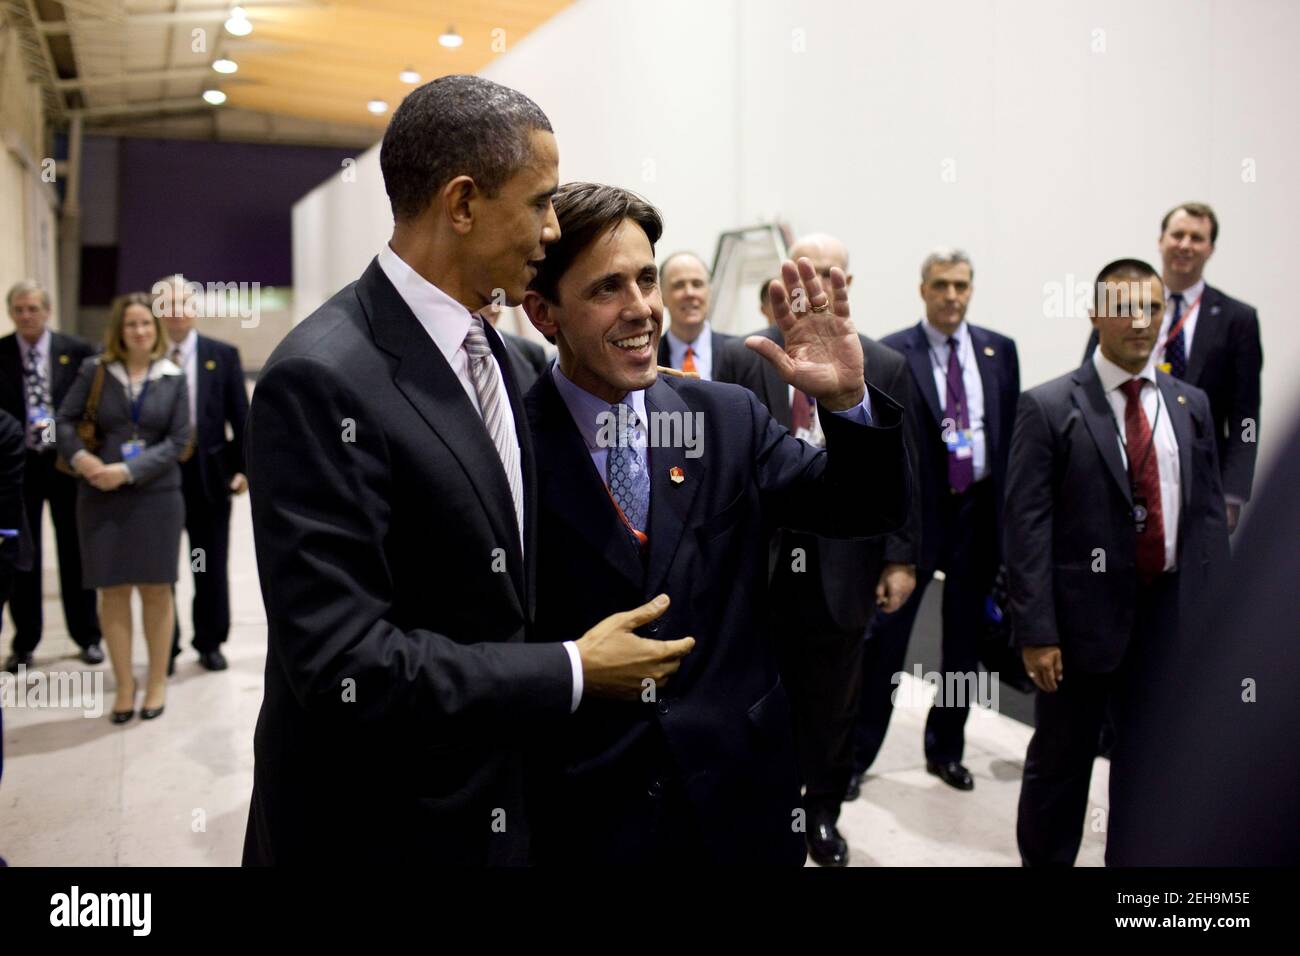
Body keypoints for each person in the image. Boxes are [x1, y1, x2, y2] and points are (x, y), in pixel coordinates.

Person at [241, 76, 693, 866]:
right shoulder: (320, 378)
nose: (554, 231)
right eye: (541, 202)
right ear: (461, 204)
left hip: (505, 807)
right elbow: (343, 663)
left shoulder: (512, 363)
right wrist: (571, 671)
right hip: (381, 826)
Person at [520, 183, 910, 865]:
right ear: (542, 313)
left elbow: (858, 507)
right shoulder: (510, 444)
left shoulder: (721, 417)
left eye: (646, 279)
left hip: (740, 795)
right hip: (587, 808)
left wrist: (847, 402)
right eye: (606, 288)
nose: (642, 308)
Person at [1007, 258, 1230, 866]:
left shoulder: (1190, 404)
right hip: (1079, 627)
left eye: (1152, 308)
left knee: (1150, 763)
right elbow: (1027, 529)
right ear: (1095, 314)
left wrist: (1217, 620)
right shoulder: (1049, 407)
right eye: (1126, 308)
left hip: (1168, 620)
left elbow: (1208, 520)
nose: (1141, 321)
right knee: (1061, 765)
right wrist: (1037, 631)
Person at [714, 232, 922, 866]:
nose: (815, 282)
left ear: (846, 286)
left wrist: (900, 556)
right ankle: (767, 808)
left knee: (834, 700)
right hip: (763, 565)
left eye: (828, 272)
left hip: (847, 566)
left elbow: (905, 471)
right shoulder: (748, 356)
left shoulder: (883, 365)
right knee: (760, 699)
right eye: (803, 272)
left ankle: (823, 812)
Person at [850, 249, 1019, 793]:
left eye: (962, 285)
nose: (952, 295)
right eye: (942, 285)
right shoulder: (895, 351)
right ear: (923, 289)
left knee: (962, 647)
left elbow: (1010, 434)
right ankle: (854, 757)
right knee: (888, 645)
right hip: (919, 518)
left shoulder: (999, 350)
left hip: (977, 513)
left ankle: (946, 748)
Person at [1083, 203, 1262, 531]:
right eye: (1177, 234)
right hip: (1123, 460)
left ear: (1210, 249)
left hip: (1199, 474)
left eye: (1197, 237)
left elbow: (1245, 415)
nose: (1185, 244)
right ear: (1161, 240)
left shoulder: (1238, 319)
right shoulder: (1122, 301)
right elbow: (1088, 383)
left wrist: (1232, 494)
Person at [57, 293, 191, 723]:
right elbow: (63, 422)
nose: (140, 331)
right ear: (118, 330)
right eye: (131, 324)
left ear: (156, 330)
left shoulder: (172, 376)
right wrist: (85, 461)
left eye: (146, 325)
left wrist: (128, 471)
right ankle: (124, 686)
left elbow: (178, 441)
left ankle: (155, 682)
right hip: (99, 496)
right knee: (112, 591)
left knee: (156, 589)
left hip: (156, 497)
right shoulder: (94, 371)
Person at [0, 281, 101, 672]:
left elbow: (89, 408)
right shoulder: (2, 353)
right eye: (19, 309)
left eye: (33, 308)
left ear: (47, 310)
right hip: (17, 467)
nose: (26, 316)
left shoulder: (77, 352)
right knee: (23, 555)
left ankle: (87, 635)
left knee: (74, 551)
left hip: (66, 465)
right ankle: (25, 642)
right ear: (12, 313)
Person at [154, 275, 249, 674]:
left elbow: (241, 418)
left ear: (194, 309)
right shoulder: (146, 354)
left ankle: (209, 640)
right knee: (161, 566)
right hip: (156, 479)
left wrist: (243, 468)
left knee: (207, 562)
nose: (176, 311)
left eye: (183, 303)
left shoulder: (221, 355)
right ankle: (166, 645)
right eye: (168, 305)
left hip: (209, 477)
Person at [655, 251, 733, 379]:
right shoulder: (648, 359)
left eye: (697, 284)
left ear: (710, 291)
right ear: (661, 295)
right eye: (678, 286)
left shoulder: (739, 354)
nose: (689, 293)